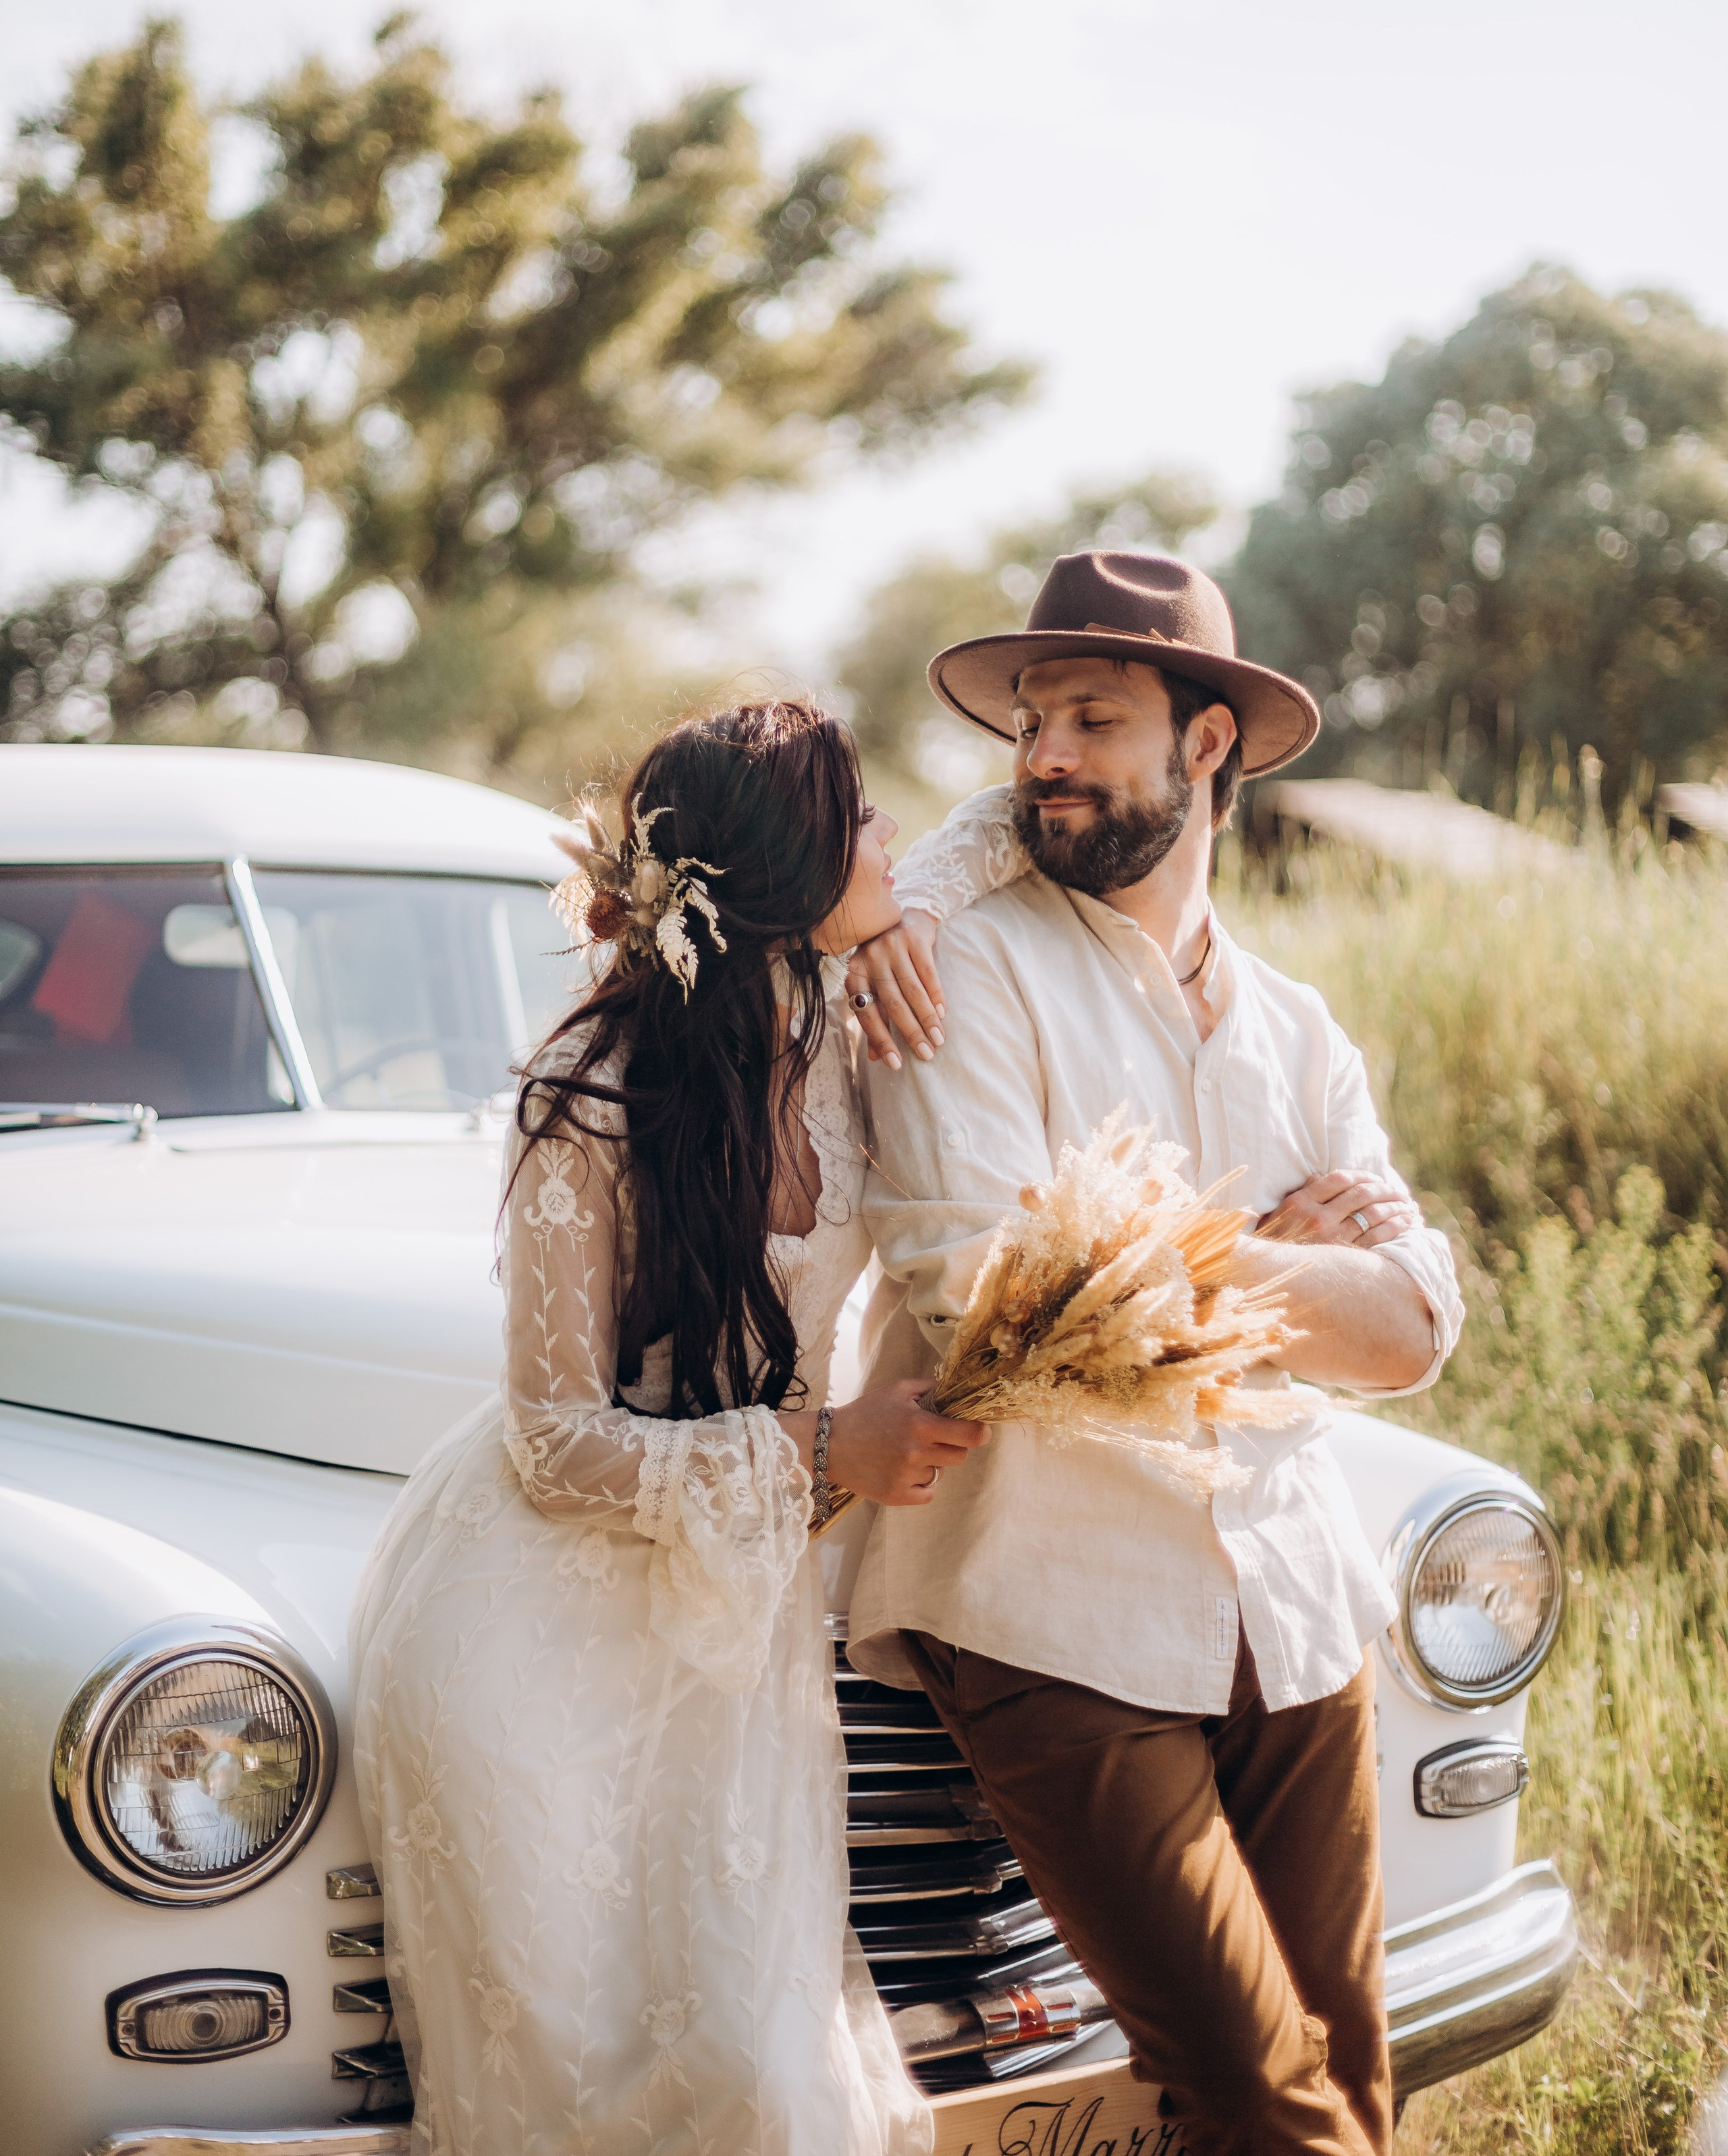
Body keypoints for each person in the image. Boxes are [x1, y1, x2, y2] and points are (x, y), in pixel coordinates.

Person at [841, 550, 1464, 2156]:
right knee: (1268, 2107)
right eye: (1033, 719)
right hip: (1050, 1599)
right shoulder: (955, 973)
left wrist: (1138, 1250)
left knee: (1350, 2086)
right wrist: (1278, 1257)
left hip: (1293, 1597)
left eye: (1093, 718)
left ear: (1205, 747)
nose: (1043, 752)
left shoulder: (1297, 1028)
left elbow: (1408, 1331)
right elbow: (997, 1297)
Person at [348, 699, 986, 2156]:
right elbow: (555, 1441)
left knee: (766, 2077)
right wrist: (823, 1458)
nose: (894, 839)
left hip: (727, 1635)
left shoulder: (834, 1045)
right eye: (862, 817)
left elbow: (988, 843)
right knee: (593, 2090)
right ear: (785, 873)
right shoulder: (585, 1097)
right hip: (530, 1647)